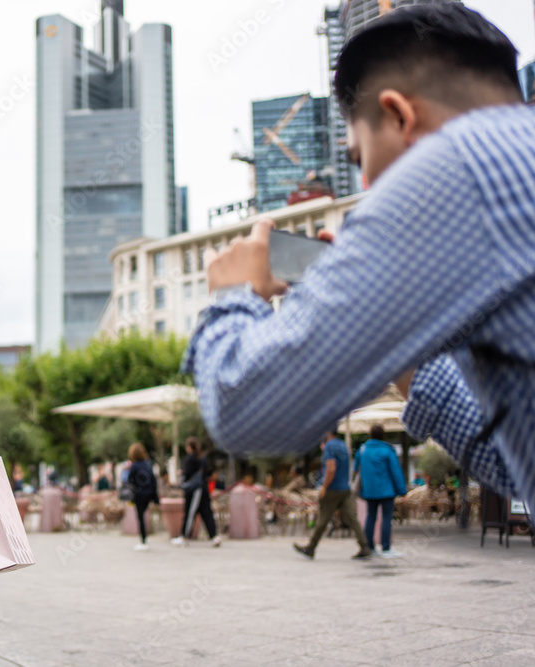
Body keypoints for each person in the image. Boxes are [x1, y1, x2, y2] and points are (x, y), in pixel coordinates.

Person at [181, 4, 535, 519]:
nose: (369, 186)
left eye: (358, 156)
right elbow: (513, 467)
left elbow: (245, 411)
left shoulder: (458, 168)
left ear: (399, 116)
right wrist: (402, 346)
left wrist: (235, 293)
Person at [293, 432, 372, 560]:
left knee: (323, 519)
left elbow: (331, 468)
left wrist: (324, 486)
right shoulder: (343, 445)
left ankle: (311, 547)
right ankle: (364, 546)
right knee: (352, 518)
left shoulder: (329, 446)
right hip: (345, 488)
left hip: (332, 489)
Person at [354, 425, 408, 558]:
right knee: (386, 518)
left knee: (370, 517)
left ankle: (370, 547)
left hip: (369, 490)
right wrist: (402, 490)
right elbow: (396, 472)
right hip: (386, 491)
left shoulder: (362, 450)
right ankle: (386, 547)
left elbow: (356, 468)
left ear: (370, 435)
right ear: (383, 435)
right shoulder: (387, 451)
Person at [171, 437, 221, 547]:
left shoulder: (191, 459)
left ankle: (184, 536)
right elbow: (208, 473)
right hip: (203, 488)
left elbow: (187, 473)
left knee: (190, 513)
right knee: (206, 512)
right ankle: (214, 536)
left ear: (189, 447)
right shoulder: (202, 458)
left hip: (194, 490)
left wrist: (182, 474)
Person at [126, 442, 159, 551]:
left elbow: (130, 480)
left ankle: (144, 540)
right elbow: (153, 480)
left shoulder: (134, 465)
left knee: (140, 517)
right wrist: (155, 497)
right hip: (149, 494)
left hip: (139, 495)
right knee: (145, 515)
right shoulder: (148, 463)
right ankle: (146, 538)